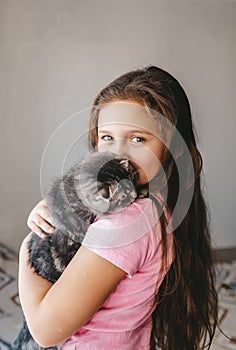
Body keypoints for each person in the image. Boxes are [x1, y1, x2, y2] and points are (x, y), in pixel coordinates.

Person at [20, 65, 218, 350]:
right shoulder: (149, 205)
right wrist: (57, 215)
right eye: (107, 138)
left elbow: (45, 330)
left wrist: (28, 247)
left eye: (138, 139)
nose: (118, 154)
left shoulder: (129, 221)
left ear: (172, 149)